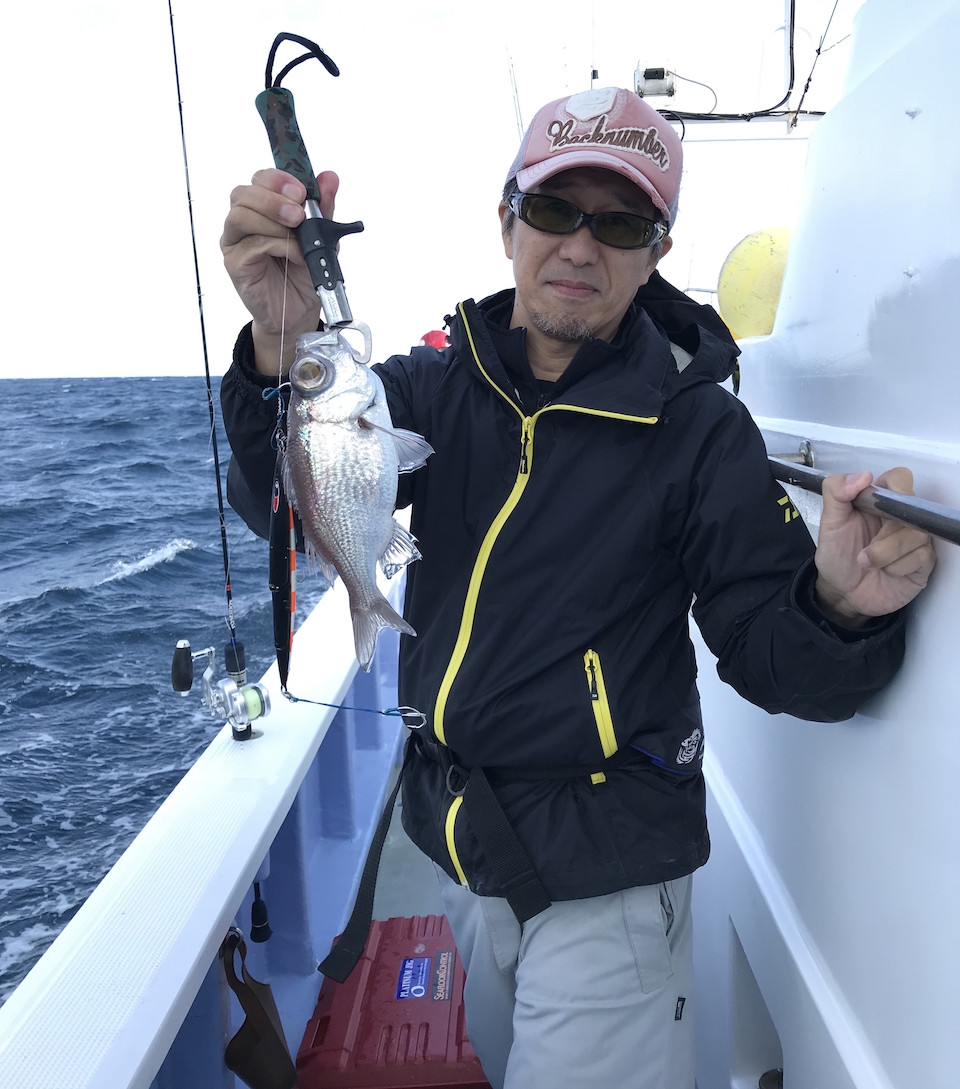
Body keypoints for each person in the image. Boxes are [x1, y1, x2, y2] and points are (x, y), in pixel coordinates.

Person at [219, 86, 935, 1089]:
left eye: (622, 223)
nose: (581, 246)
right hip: (461, 839)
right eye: (555, 210)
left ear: (657, 252)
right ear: (507, 222)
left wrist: (842, 606)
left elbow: (774, 658)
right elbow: (287, 503)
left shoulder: (698, 430)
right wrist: (279, 345)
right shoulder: (428, 388)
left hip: (608, 875)